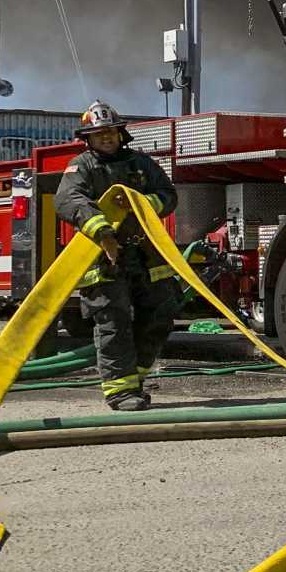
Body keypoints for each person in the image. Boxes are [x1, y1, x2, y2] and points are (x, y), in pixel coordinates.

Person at [54, 101, 179, 412]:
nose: (106, 137)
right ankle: (120, 392)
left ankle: (135, 378)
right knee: (114, 323)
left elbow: (168, 195)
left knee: (161, 314)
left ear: (121, 134)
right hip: (104, 258)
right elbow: (68, 200)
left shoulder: (141, 163)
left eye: (110, 132)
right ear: (88, 139)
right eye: (99, 134)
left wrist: (140, 201)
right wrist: (104, 233)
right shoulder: (81, 167)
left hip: (146, 254)